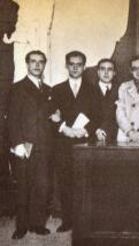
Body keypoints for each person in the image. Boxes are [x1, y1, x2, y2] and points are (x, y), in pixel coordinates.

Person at [8, 50, 56, 239]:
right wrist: (17, 143)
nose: (37, 65)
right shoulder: (17, 88)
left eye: (41, 62)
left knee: (41, 186)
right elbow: (12, 119)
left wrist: (56, 118)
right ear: (27, 64)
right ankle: (21, 226)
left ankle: (37, 224)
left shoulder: (48, 89)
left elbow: (50, 117)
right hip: (25, 145)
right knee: (23, 187)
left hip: (44, 146)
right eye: (33, 61)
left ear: (44, 65)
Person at [52, 51, 99, 232]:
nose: (75, 67)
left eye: (79, 64)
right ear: (66, 66)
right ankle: (68, 221)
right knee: (65, 182)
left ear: (84, 67)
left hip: (85, 143)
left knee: (86, 182)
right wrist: (65, 129)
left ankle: (85, 221)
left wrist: (84, 130)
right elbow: (52, 115)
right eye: (71, 64)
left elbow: (97, 116)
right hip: (63, 143)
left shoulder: (93, 89)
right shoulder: (56, 89)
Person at [94, 58, 119, 143]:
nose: (106, 72)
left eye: (110, 69)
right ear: (98, 72)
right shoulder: (89, 90)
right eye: (102, 69)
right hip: (94, 136)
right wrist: (97, 130)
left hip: (116, 137)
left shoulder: (121, 90)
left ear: (114, 73)